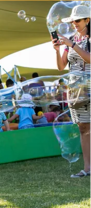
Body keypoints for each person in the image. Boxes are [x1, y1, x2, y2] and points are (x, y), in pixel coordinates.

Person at [52, 5, 90, 178]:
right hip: (76, 89)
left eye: (78, 20)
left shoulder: (79, 40)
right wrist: (58, 49)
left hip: (89, 86)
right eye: (73, 21)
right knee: (83, 128)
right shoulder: (70, 39)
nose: (74, 23)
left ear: (87, 20)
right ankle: (88, 168)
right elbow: (61, 67)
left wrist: (72, 44)